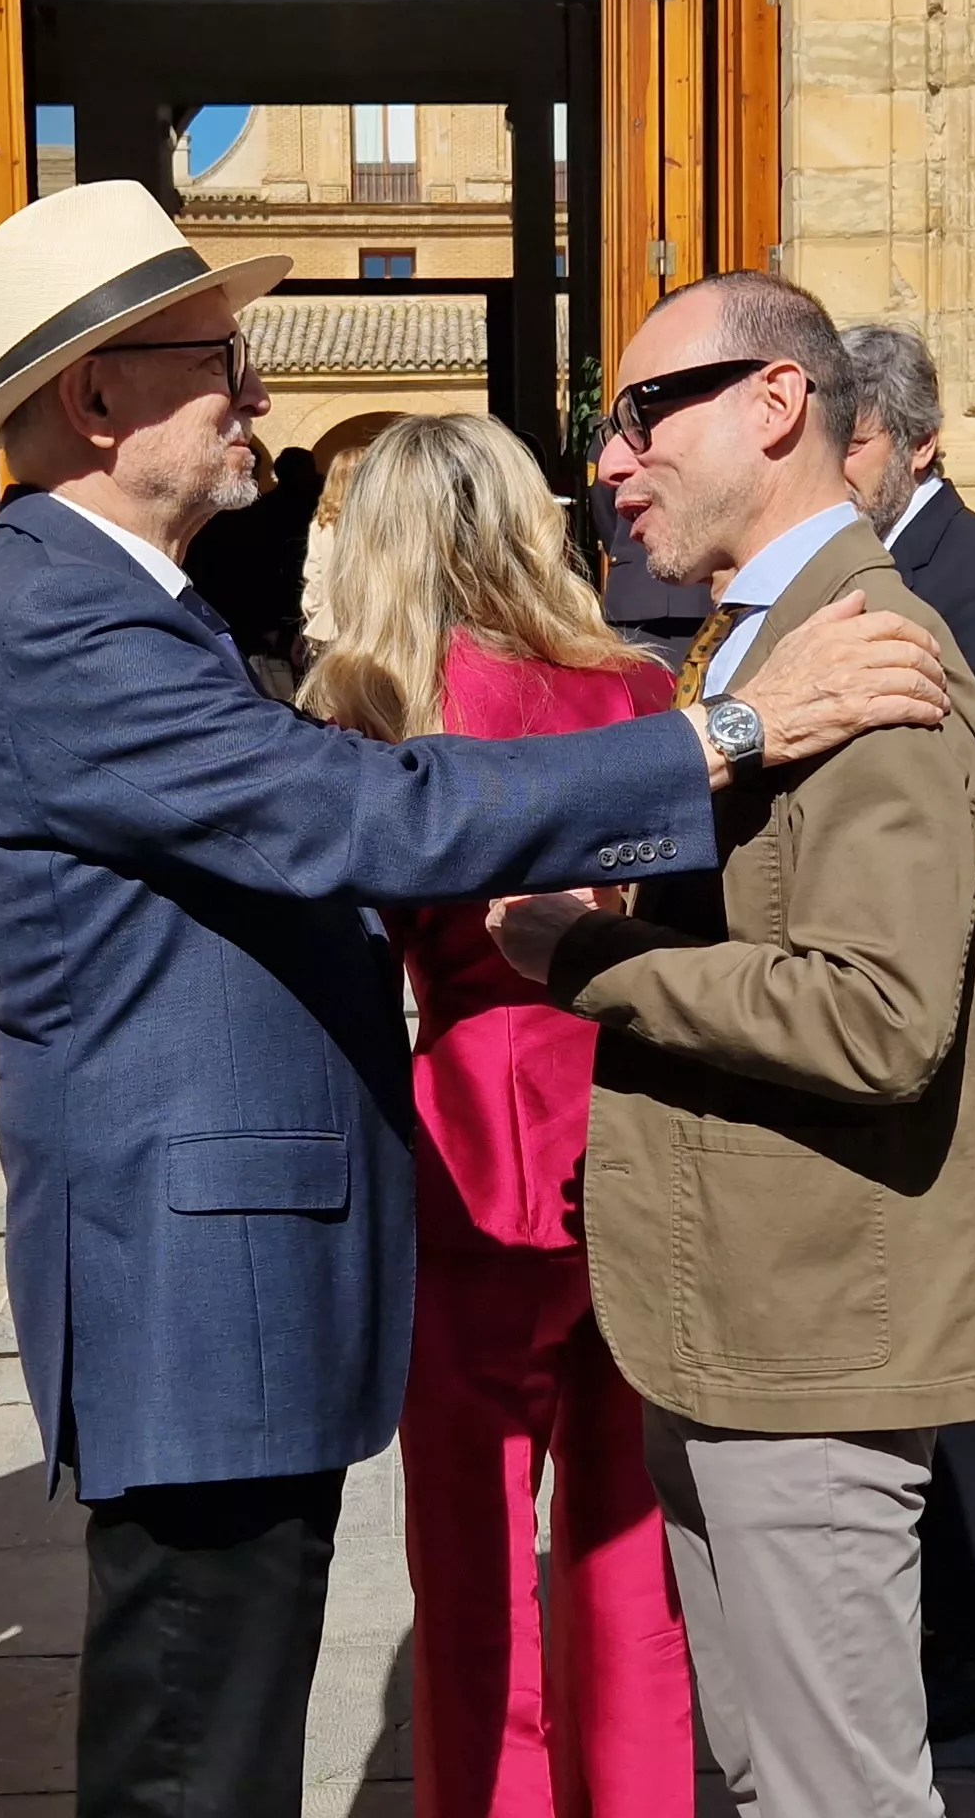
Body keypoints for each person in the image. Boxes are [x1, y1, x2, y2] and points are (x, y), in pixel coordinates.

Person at [0, 183, 953, 1818]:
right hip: (195, 1290)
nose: (255, 395)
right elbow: (365, 819)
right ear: (95, 398)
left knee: (221, 1722)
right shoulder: (66, 621)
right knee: (192, 1745)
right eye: (216, 362)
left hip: (239, 1278)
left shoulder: (119, 599)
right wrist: (726, 735)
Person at [488, 270, 975, 1818]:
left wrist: (589, 954)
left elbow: (878, 1015)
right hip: (732, 1313)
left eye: (645, 412)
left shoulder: (872, 656)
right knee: (769, 1773)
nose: (612, 458)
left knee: (833, 1792)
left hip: (816, 1334)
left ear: (777, 405)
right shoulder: (757, 638)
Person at [297, 414, 697, 1818]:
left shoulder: (370, 698)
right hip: (626, 1126)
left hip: (468, 1137)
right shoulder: (638, 691)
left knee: (473, 1570)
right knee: (624, 1547)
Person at [838, 321, 975, 1739]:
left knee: (958, 1327)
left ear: (918, 440)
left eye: (850, 439)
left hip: (966, 1014)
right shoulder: (849, 571)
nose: (831, 461)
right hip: (871, 1005)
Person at [187, 442, 319, 694]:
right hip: (254, 615)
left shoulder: (261, 509)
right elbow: (261, 568)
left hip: (248, 614)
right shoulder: (257, 514)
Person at [594, 479, 715, 669]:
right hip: (687, 595)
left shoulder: (611, 453)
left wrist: (629, 557)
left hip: (637, 593)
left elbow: (604, 513)